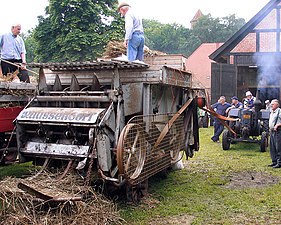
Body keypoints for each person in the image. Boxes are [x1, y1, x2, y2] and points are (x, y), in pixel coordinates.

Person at [268, 99, 281, 168]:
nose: (271, 105)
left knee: (278, 147)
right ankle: (274, 162)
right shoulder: (272, 112)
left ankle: (279, 163)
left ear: (277, 105)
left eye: (273, 104)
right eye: (271, 104)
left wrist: (278, 125)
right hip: (272, 131)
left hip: (278, 131)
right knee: (272, 147)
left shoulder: (280, 111)